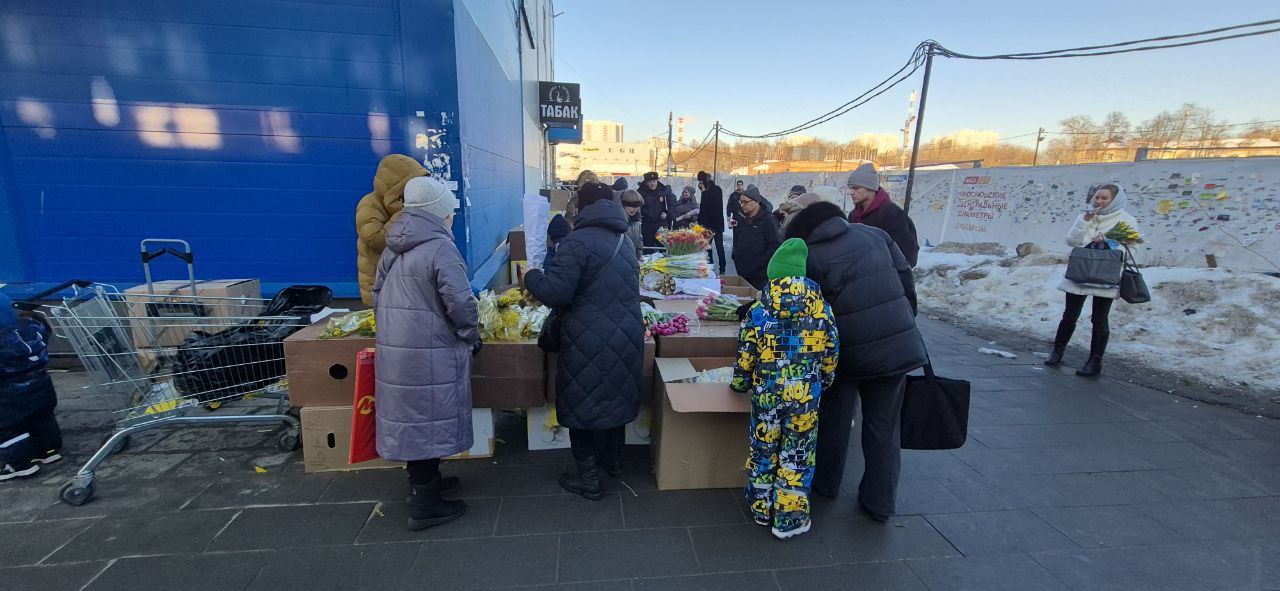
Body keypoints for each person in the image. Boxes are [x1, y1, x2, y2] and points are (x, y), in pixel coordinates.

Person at [784, 201, 927, 524]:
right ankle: (879, 503)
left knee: (834, 418)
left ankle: (825, 485)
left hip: (846, 352)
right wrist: (905, 320)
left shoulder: (810, 254)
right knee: (884, 427)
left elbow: (805, 310)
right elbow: (906, 281)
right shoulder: (875, 235)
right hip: (897, 345)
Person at [371, 176, 479, 531]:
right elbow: (461, 303)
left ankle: (424, 482)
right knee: (427, 416)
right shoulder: (440, 249)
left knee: (415, 418)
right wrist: (469, 336)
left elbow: (377, 295)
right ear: (439, 213)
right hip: (430, 347)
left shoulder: (393, 246)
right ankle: (425, 504)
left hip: (401, 348)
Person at [524, 182, 644, 500]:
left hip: (588, 337)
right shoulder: (625, 238)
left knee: (583, 403)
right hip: (626, 333)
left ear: (582, 207)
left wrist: (531, 276)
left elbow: (556, 293)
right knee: (615, 395)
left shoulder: (578, 242)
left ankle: (589, 478)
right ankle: (614, 463)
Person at [732, 239, 839, 540]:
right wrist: (824, 380)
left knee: (763, 449)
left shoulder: (758, 310)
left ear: (774, 275)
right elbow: (831, 353)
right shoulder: (822, 310)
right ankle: (789, 520)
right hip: (805, 397)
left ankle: (760, 508)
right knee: (798, 453)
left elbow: (745, 354)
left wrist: (740, 383)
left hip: (767, 396)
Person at [1046, 183, 1139, 377]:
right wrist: (1085, 221)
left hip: (1105, 274)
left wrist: (1108, 243)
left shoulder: (1126, 220)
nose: (1099, 201)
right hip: (1080, 271)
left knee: (1099, 318)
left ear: (1115, 199)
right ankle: (1057, 352)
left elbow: (1132, 249)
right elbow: (1071, 241)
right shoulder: (1085, 216)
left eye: (1104, 198)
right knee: (1069, 315)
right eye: (1097, 197)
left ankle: (1094, 362)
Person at [0, 294, 63, 482]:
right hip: (41, 383)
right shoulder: (31, 327)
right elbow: (44, 331)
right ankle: (48, 451)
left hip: (9, 392)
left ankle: (18, 464)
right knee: (42, 418)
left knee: (8, 427)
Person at [356, 154, 429, 305]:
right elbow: (376, 241)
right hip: (377, 284)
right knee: (384, 326)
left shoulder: (407, 205)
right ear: (396, 186)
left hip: (403, 283)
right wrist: (402, 214)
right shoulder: (369, 204)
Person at [845, 164, 919, 267]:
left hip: (886, 278)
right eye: (850, 188)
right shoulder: (853, 216)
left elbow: (907, 255)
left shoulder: (892, 214)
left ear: (871, 188)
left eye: (856, 188)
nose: (851, 192)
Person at [731, 186, 782, 291]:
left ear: (755, 202)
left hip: (759, 275)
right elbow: (737, 237)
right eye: (740, 202)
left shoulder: (768, 220)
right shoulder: (741, 217)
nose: (742, 205)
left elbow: (775, 244)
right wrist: (735, 254)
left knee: (755, 302)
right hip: (742, 270)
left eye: (745, 202)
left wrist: (760, 263)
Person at [696, 171, 726, 274]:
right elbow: (703, 209)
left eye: (701, 182)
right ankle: (710, 266)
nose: (699, 185)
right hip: (706, 225)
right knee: (707, 248)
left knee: (719, 248)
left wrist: (704, 192)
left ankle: (722, 269)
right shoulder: (705, 191)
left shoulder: (716, 190)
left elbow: (711, 206)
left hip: (716, 225)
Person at [637, 172, 673, 248]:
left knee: (663, 246)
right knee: (648, 247)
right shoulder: (640, 192)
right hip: (647, 225)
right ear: (646, 182)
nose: (652, 184)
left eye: (654, 181)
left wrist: (666, 213)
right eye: (650, 182)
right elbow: (638, 207)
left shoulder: (663, 190)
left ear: (657, 181)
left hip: (661, 223)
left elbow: (671, 205)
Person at [620, 189, 645, 260]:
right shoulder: (619, 221)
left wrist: (639, 256)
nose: (635, 209)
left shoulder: (637, 220)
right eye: (633, 206)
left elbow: (639, 239)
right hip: (622, 259)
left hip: (633, 258)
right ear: (624, 205)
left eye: (637, 206)